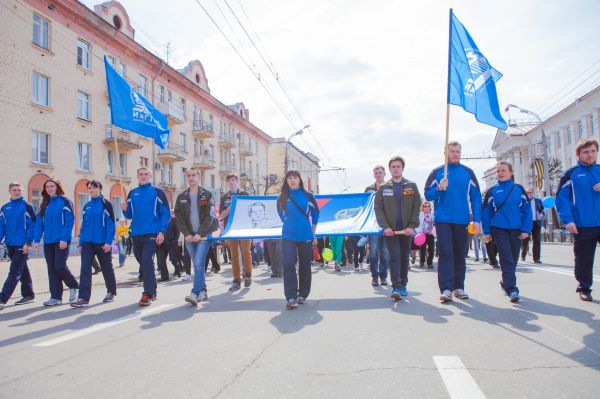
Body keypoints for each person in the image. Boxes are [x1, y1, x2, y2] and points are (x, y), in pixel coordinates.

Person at [425, 141, 482, 303]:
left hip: (462, 220)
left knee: (459, 254)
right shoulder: (437, 173)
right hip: (443, 220)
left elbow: (476, 197)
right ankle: (446, 289)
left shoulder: (468, 173)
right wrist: (438, 188)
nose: (455, 154)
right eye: (452, 151)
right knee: (445, 253)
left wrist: (476, 219)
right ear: (445, 152)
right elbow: (427, 196)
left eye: (458, 151)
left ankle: (458, 287)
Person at [556, 138, 600, 302]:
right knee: (584, 258)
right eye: (586, 152)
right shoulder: (571, 174)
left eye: (593, 151)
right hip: (582, 224)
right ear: (578, 154)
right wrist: (568, 220)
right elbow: (561, 199)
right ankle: (584, 287)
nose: (590, 155)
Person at [481, 162, 532, 303]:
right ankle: (512, 289)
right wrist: (486, 231)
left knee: (514, 259)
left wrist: (526, 229)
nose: (500, 173)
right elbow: (486, 212)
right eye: (498, 171)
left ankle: (505, 282)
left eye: (503, 170)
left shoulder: (519, 189)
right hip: (499, 228)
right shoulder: (492, 191)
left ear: (511, 172)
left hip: (516, 228)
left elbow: (527, 210)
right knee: (506, 257)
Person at [121, 167, 170, 306]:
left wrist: (162, 231)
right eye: (141, 174)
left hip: (152, 231)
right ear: (137, 176)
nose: (143, 176)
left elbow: (165, 213)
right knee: (142, 261)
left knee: (147, 259)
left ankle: (147, 293)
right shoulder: (132, 193)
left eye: (146, 174)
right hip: (136, 232)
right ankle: (153, 291)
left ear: (150, 176)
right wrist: (125, 210)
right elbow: (130, 215)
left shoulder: (157, 192)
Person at [374, 156, 421, 299]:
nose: (395, 169)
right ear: (389, 169)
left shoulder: (411, 186)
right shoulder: (383, 188)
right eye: (393, 167)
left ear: (402, 168)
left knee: (404, 258)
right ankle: (396, 287)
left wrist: (412, 226)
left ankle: (403, 285)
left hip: (406, 230)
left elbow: (416, 207)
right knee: (394, 257)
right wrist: (385, 227)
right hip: (391, 231)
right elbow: (378, 209)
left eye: (398, 166)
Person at [175, 167, 219, 306]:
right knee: (197, 265)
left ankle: (194, 292)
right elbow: (179, 217)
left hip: (204, 236)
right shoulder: (181, 196)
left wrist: (200, 233)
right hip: (189, 237)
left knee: (199, 263)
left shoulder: (207, 195)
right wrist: (187, 234)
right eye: (188, 175)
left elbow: (210, 216)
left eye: (193, 175)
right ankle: (203, 292)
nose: (191, 178)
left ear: (199, 177)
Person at [33, 178, 79, 306]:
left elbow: (70, 221)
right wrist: (36, 240)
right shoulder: (45, 203)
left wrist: (64, 238)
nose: (49, 188)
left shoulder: (65, 201)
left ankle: (74, 285)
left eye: (52, 186)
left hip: (61, 241)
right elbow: (39, 224)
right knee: (52, 269)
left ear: (57, 187)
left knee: (60, 266)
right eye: (47, 187)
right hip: (48, 241)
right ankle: (56, 297)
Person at [277, 170, 320, 309]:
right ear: (287, 181)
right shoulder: (282, 197)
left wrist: (313, 233)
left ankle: (303, 294)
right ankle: (291, 297)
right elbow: (281, 215)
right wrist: (289, 223)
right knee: (289, 264)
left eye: (295, 177)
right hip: (288, 235)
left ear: (300, 180)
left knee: (304, 265)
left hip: (306, 235)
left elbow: (316, 214)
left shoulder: (308, 196)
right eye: (289, 178)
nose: (292, 180)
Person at [71, 180, 117, 307]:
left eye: (94, 188)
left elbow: (111, 224)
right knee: (85, 269)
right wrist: (81, 242)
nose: (91, 190)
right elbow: (84, 225)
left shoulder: (106, 204)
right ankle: (83, 298)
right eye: (90, 188)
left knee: (107, 267)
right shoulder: (87, 205)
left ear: (100, 189)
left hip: (102, 243)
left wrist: (109, 242)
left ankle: (111, 292)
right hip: (87, 243)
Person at [0, 182, 36, 309]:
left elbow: (32, 225)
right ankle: (29, 295)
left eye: (19, 190)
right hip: (10, 245)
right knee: (23, 269)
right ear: (9, 191)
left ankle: (2, 298)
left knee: (14, 271)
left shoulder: (27, 206)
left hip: (22, 245)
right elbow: (2, 226)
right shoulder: (5, 208)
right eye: (14, 190)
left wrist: (28, 243)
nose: (17, 192)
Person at [220, 174, 253, 291]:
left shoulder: (244, 194)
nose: (231, 182)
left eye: (233, 180)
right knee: (234, 255)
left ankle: (248, 275)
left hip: (244, 227)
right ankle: (236, 280)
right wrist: (231, 206)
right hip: (231, 229)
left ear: (237, 181)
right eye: (229, 180)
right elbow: (222, 215)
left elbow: (250, 210)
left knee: (246, 252)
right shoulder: (224, 197)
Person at [365, 165, 389, 285]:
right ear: (373, 175)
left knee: (385, 253)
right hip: (373, 226)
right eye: (376, 173)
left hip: (387, 225)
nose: (378, 174)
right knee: (373, 253)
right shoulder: (369, 188)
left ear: (384, 173)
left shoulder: (390, 186)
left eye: (380, 172)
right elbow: (365, 207)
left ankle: (383, 276)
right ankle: (374, 277)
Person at [521, 187, 544, 263]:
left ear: (533, 193)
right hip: (527, 223)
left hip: (536, 223)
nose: (529, 194)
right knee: (525, 240)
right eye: (527, 192)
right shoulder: (523, 201)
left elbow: (542, 211)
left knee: (537, 240)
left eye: (530, 192)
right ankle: (523, 255)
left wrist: (542, 215)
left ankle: (536, 258)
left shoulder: (538, 201)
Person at [416, 201, 435, 268]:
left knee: (431, 249)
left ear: (430, 208)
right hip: (422, 234)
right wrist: (418, 232)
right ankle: (421, 262)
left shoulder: (432, 215)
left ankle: (430, 262)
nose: (427, 208)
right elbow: (417, 224)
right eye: (425, 206)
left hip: (430, 234)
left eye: (428, 206)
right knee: (422, 249)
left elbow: (434, 223)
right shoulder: (420, 214)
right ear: (423, 207)